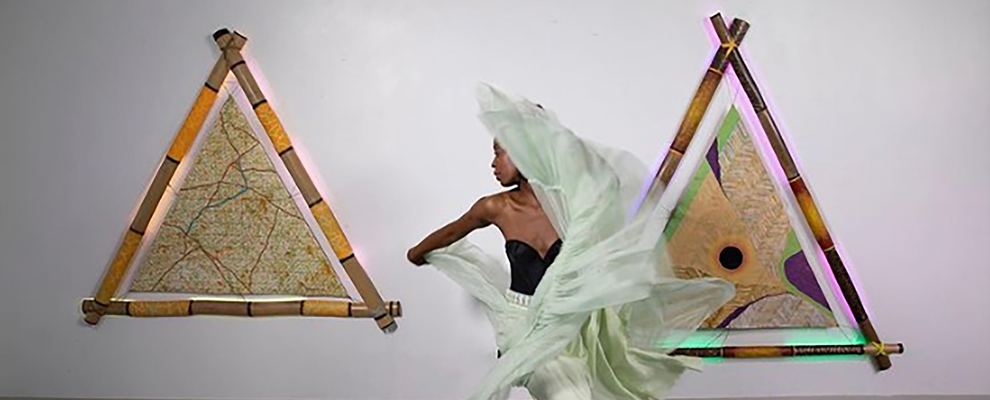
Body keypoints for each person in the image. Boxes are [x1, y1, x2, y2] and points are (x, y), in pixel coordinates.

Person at [408, 84, 735, 400]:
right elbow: (451, 232)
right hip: (520, 324)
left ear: (526, 153)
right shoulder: (494, 207)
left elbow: (609, 193)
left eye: (499, 153)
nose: (493, 165)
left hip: (571, 326)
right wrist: (417, 253)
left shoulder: (575, 208)